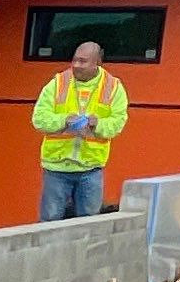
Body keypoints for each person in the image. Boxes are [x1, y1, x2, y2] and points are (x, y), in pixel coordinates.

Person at [32, 30, 131, 218]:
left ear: (97, 63)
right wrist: (63, 120)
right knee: (49, 224)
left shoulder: (113, 87)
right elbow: (39, 119)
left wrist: (98, 124)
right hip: (56, 168)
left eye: (83, 61)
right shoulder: (58, 82)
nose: (76, 65)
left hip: (91, 168)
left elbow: (118, 123)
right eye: (75, 60)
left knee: (88, 226)